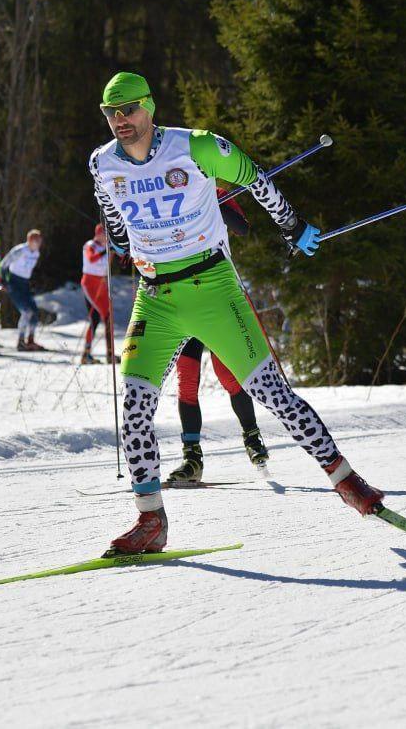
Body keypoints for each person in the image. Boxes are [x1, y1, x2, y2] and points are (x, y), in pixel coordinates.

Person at [89, 71, 386, 553]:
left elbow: (259, 181)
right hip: (156, 298)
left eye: (128, 109)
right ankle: (150, 520)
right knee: (135, 409)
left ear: (150, 107)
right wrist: (124, 244)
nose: (120, 120)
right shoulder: (102, 163)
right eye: (110, 112)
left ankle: (347, 481)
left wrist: (293, 226)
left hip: (214, 290)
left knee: (275, 396)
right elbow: (110, 209)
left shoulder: (198, 147)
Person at [167, 191, 269, 481]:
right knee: (186, 381)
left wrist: (208, 200)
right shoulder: (164, 193)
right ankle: (192, 458)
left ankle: (251, 437)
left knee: (229, 377)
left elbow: (242, 227)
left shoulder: (219, 191)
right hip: (182, 299)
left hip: (217, 297)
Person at [0, 229, 46, 351]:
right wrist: (4, 281)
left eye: (40, 241)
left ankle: (30, 339)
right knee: (26, 312)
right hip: (14, 283)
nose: (39, 244)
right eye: (36, 241)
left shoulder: (36, 253)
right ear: (30, 241)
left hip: (25, 284)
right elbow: (4, 264)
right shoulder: (20, 250)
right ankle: (20, 341)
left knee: (34, 311)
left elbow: (29, 270)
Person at [80, 224, 116, 364]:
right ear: (98, 234)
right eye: (104, 234)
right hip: (90, 283)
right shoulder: (91, 245)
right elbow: (91, 258)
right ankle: (86, 353)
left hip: (101, 283)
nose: (106, 237)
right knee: (95, 318)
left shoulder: (104, 247)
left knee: (108, 317)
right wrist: (106, 251)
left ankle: (110, 353)